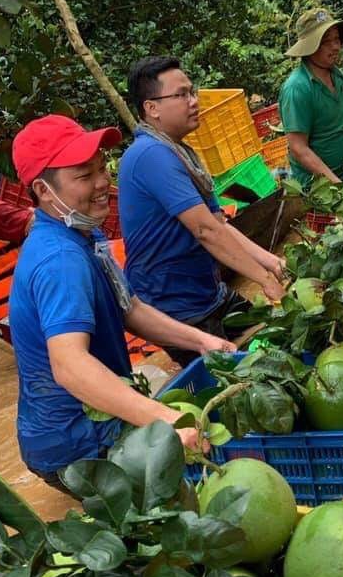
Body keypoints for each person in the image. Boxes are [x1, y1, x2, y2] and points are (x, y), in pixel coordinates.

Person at [9, 114, 236, 490]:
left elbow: (129, 307)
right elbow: (69, 365)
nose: (102, 183)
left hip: (92, 422)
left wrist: (202, 341)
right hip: (77, 446)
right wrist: (162, 419)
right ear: (44, 191)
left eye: (102, 168)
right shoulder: (59, 261)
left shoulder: (83, 231)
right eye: (84, 176)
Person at [119, 57, 285, 367]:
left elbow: (218, 224)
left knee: (273, 341)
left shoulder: (179, 152)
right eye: (181, 95)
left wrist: (273, 263)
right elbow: (205, 231)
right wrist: (263, 278)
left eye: (192, 92)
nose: (193, 101)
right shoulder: (150, 155)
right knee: (243, 380)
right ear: (151, 108)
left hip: (209, 293)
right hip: (178, 308)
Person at [279, 8, 343, 187]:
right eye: (326, 42)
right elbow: (299, 148)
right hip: (322, 187)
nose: (335, 46)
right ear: (309, 47)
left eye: (336, 39)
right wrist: (337, 185)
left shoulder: (338, 76)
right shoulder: (297, 88)